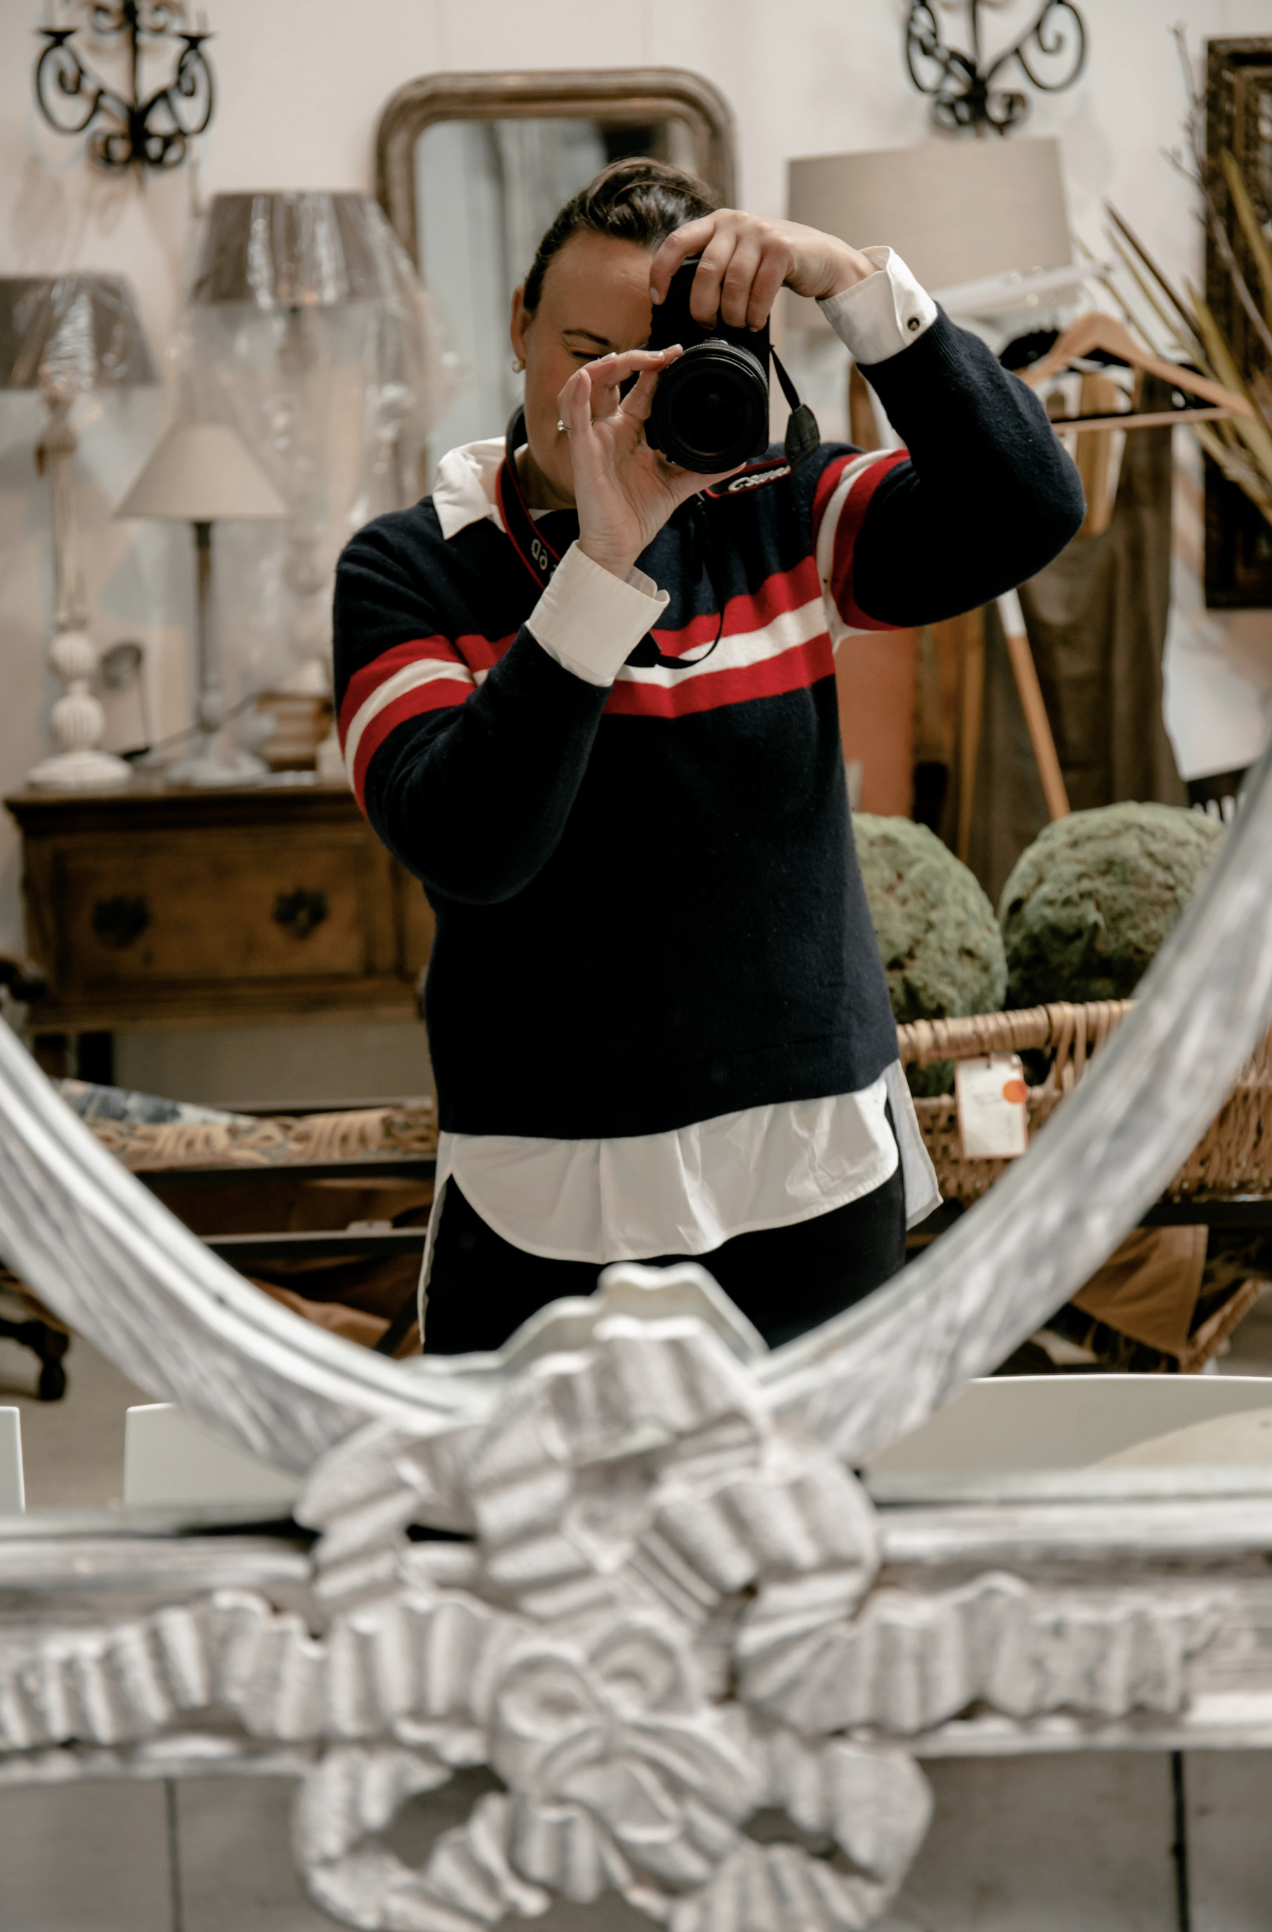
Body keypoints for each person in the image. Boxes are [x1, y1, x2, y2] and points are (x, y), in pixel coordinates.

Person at [333, 159, 1084, 1355]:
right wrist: (602, 568)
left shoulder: (776, 509)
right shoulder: (408, 571)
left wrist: (851, 284)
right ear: (519, 323)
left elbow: (1029, 506)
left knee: (820, 1482)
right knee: (520, 1485)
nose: (614, 397)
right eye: (584, 350)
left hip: (816, 1170)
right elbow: (472, 849)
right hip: (546, 1193)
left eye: (655, 365)